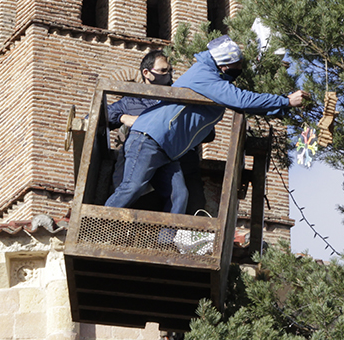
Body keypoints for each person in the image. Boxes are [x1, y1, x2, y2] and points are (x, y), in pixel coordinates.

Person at [105, 35, 307, 214]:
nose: (240, 69)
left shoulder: (212, 77)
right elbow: (241, 100)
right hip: (149, 140)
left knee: (179, 196)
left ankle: (166, 240)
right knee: (131, 187)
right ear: (224, 66)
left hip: (167, 150)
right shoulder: (205, 76)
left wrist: (282, 105)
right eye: (237, 65)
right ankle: (95, 228)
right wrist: (285, 101)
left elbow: (242, 105)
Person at [106, 50, 174, 194]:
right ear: (146, 73)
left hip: (167, 162)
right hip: (133, 160)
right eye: (163, 70)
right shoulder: (132, 102)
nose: (167, 74)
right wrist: (123, 118)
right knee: (125, 191)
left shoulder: (176, 101)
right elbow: (96, 115)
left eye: (169, 70)